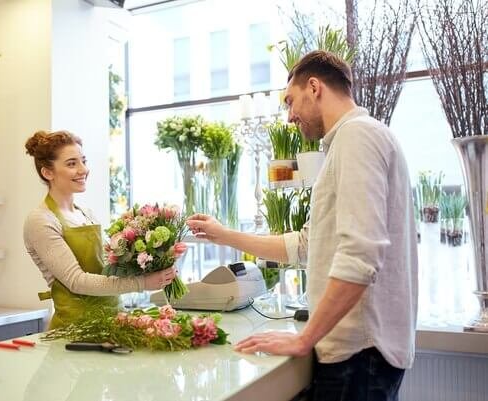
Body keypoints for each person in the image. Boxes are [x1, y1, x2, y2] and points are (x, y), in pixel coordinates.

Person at [187, 51, 417, 401]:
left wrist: (304, 338)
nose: (290, 115)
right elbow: (309, 244)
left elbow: (361, 254)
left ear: (314, 87)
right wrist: (223, 234)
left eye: (290, 101)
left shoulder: (357, 137)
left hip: (360, 354)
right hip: (358, 352)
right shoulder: (350, 141)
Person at [24, 130, 175, 329]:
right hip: (74, 331)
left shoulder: (86, 214)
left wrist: (149, 260)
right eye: (71, 164)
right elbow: (76, 281)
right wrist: (142, 283)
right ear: (48, 172)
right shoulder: (41, 220)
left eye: (83, 161)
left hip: (113, 322)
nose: (83, 169)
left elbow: (106, 268)